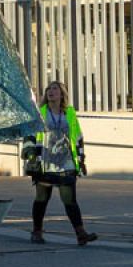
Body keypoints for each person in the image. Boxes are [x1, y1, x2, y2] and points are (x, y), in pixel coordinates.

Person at [29, 80, 97, 246]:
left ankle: (81, 234)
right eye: (48, 89)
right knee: (42, 198)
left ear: (62, 94)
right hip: (45, 162)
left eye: (55, 89)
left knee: (70, 199)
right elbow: (30, 134)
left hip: (66, 162)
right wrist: (30, 153)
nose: (51, 92)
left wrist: (81, 160)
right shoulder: (40, 112)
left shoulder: (70, 114)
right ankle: (37, 232)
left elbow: (78, 137)